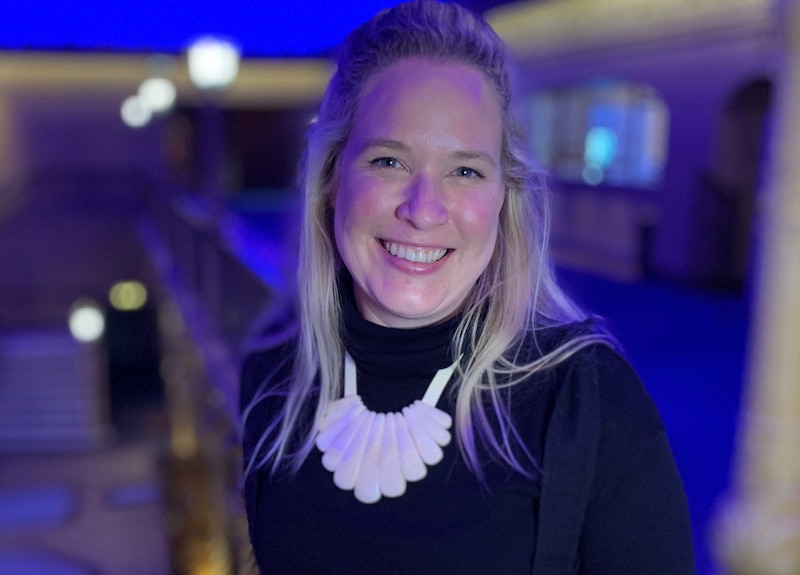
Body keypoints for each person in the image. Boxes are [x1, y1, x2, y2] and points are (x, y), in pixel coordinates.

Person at [240, 1, 695, 573]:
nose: (423, 210)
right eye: (388, 161)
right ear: (332, 179)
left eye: (465, 171)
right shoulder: (274, 377)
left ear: (505, 196)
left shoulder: (585, 402)